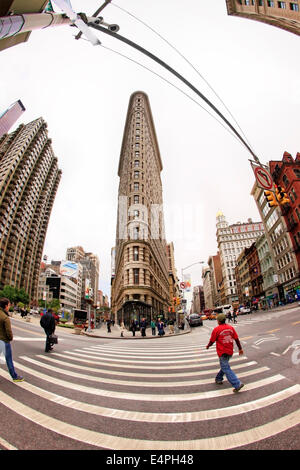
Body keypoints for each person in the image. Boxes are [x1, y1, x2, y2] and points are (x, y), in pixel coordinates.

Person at [206, 313, 244, 393]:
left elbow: (212, 341)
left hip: (222, 352)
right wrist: (240, 349)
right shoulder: (230, 328)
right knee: (225, 365)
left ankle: (237, 384)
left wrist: (208, 346)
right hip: (230, 351)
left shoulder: (216, 329)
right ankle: (218, 378)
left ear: (219, 321)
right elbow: (236, 339)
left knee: (226, 368)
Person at [0, 298, 24, 382]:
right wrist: (10, 338)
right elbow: (9, 332)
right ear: (6, 306)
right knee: (9, 360)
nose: (9, 306)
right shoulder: (5, 318)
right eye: (9, 305)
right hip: (4, 341)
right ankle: (14, 376)